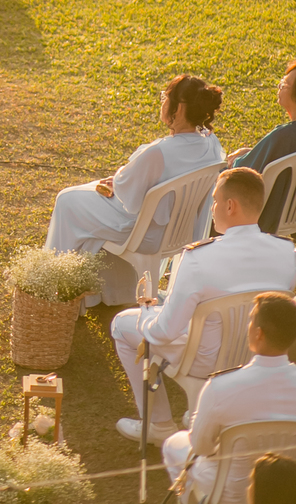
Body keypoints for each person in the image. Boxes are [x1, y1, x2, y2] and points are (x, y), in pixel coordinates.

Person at [111, 168, 296, 444]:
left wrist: (147, 312)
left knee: (121, 324)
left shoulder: (197, 258)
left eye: (215, 200)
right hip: (256, 352)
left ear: (230, 206)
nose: (212, 207)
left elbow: (164, 332)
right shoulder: (287, 252)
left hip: (204, 361)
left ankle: (158, 424)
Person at [45, 73, 225, 262]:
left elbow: (128, 199)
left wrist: (116, 182)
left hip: (145, 233)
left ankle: (55, 269)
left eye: (165, 97)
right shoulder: (211, 143)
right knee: (82, 196)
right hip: (181, 230)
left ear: (179, 107)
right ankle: (82, 271)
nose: (163, 102)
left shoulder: (159, 152)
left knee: (67, 199)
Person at [162, 293, 296, 504]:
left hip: (230, 492)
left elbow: (201, 447)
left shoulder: (220, 387)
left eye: (251, 320)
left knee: (173, 445)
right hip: (289, 486)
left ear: (258, 333)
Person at [229, 63, 296, 235]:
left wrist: (235, 159)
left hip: (269, 216)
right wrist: (254, 152)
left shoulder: (282, 136)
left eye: (285, 84)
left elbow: (241, 170)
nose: (279, 86)